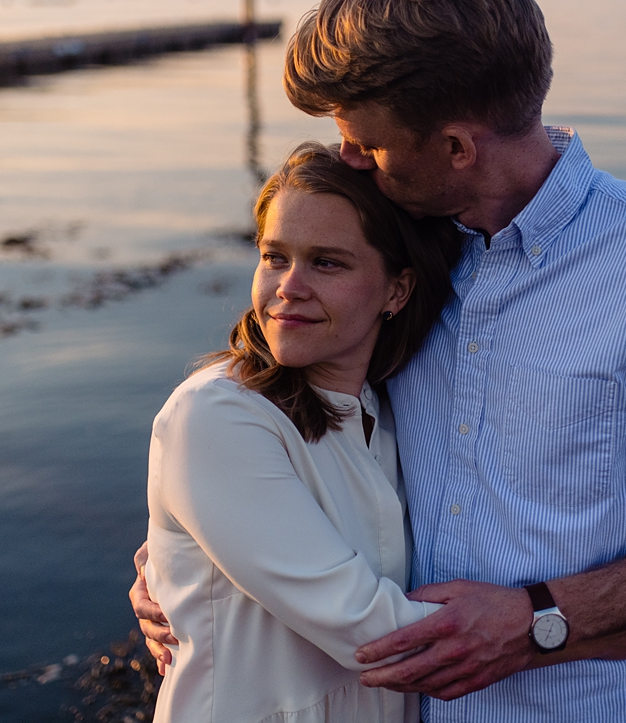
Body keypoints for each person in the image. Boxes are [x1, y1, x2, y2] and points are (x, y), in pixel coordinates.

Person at [138, 0, 626, 722]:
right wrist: (184, 560)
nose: (349, 160)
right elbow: (297, 435)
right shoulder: (404, 255)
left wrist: (550, 621)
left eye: (369, 142)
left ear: (458, 147)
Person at [142, 142, 458, 723]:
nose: (289, 286)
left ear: (397, 290)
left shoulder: (387, 414)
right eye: (274, 256)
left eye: (327, 262)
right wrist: (579, 631)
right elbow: (365, 626)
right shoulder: (216, 415)